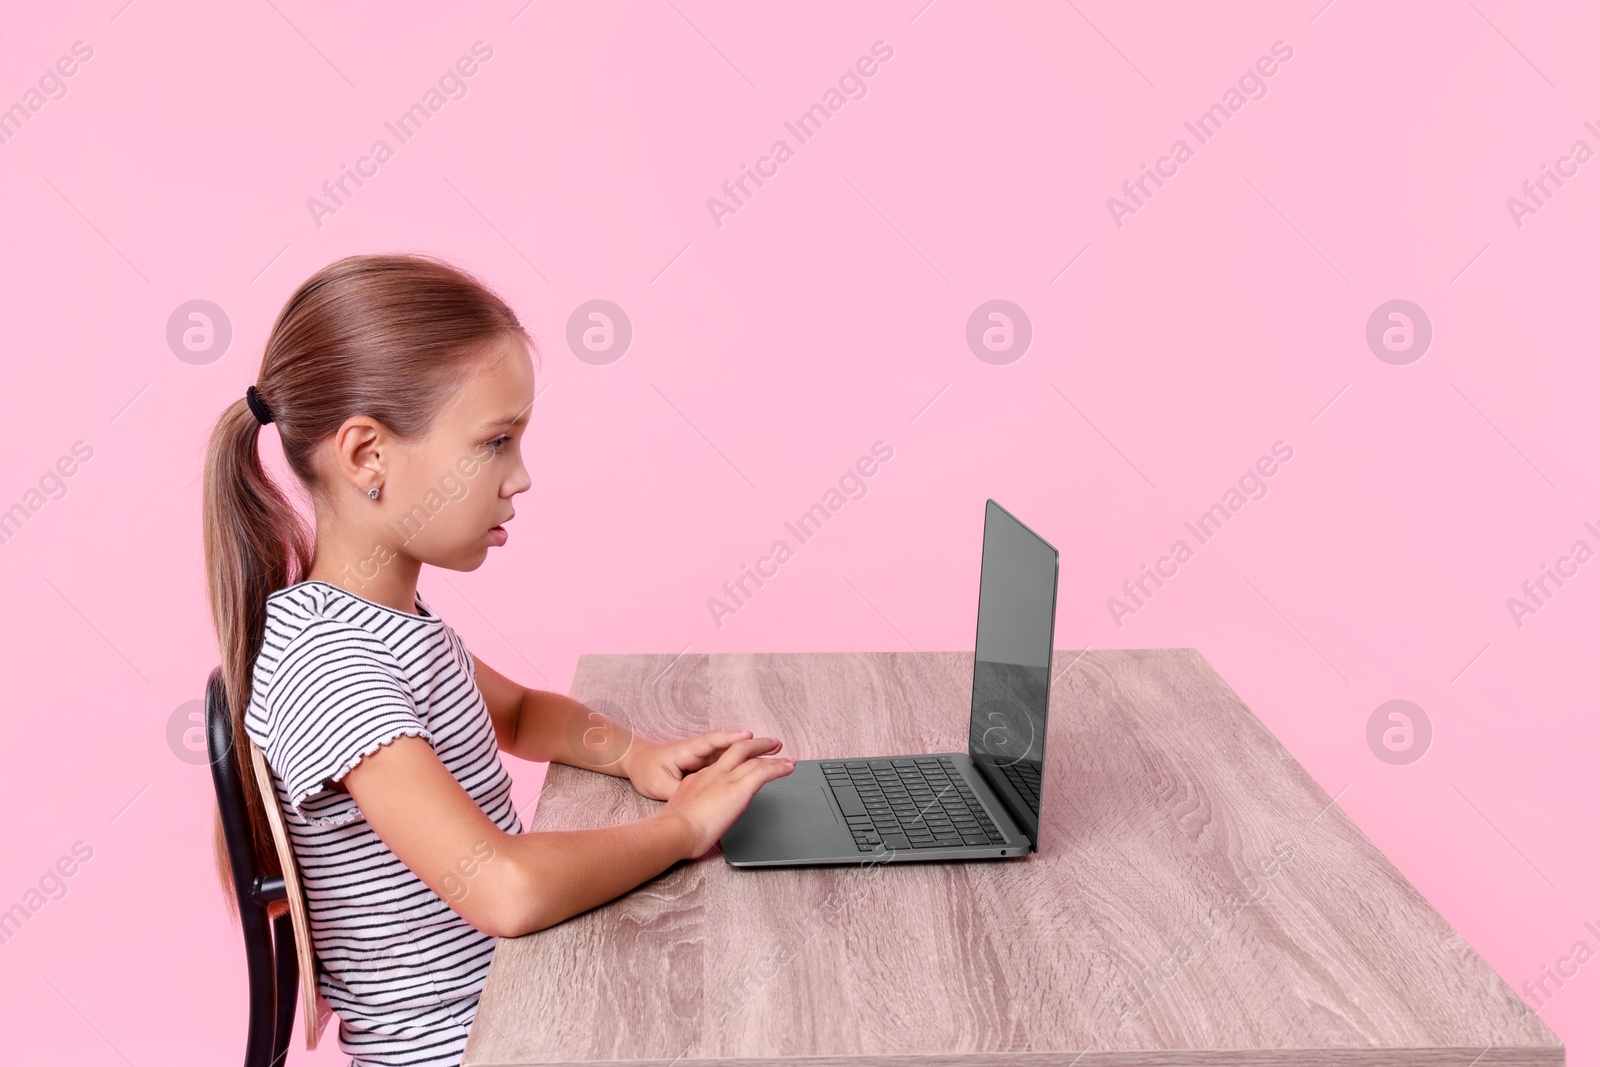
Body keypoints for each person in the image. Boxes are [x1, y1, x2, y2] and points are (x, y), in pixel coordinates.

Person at [200, 252, 794, 1066]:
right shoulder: (333, 669)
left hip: (520, 996)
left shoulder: (375, 621)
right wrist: (682, 826)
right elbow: (504, 888)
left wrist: (635, 754)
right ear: (368, 456)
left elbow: (513, 712)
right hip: (468, 1044)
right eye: (494, 442)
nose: (520, 477)